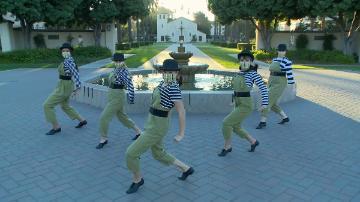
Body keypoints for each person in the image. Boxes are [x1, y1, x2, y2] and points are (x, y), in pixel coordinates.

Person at [125, 59, 194, 194]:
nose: (169, 73)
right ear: (163, 72)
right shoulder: (163, 83)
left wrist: (181, 133)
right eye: (166, 71)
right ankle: (186, 169)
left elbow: (181, 111)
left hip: (157, 127)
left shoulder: (173, 87)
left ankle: (137, 180)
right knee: (158, 154)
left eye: (172, 72)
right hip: (154, 122)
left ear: (176, 73)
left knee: (131, 153)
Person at [218, 50, 268, 157]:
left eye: (247, 60)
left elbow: (264, 89)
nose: (244, 62)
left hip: (246, 104)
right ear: (239, 62)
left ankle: (227, 146)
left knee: (226, 123)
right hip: (238, 102)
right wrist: (233, 99)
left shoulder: (253, 74)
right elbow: (235, 89)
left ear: (251, 62)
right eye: (242, 60)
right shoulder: (239, 73)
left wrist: (264, 104)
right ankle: (253, 142)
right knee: (236, 127)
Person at [96, 53, 142, 149]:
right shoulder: (116, 69)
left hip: (117, 96)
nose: (117, 63)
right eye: (115, 61)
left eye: (119, 61)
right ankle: (139, 132)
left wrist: (131, 99)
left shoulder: (124, 71)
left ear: (123, 61)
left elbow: (130, 85)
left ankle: (103, 138)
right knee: (122, 117)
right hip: (112, 94)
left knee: (103, 117)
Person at [43, 42, 87, 135]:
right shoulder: (67, 60)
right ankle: (82, 120)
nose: (65, 52)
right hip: (64, 85)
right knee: (65, 106)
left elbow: (76, 75)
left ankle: (56, 127)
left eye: (67, 51)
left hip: (64, 86)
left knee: (47, 105)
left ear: (70, 52)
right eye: (63, 51)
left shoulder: (69, 62)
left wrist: (78, 88)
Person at [256, 44, 295, 129]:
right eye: (280, 50)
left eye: (283, 50)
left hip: (280, 83)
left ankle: (263, 122)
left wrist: (291, 85)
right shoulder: (274, 59)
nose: (281, 52)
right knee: (272, 103)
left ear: (285, 51)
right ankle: (285, 118)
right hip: (271, 81)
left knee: (267, 101)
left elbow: (289, 74)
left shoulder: (286, 61)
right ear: (277, 51)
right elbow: (271, 71)